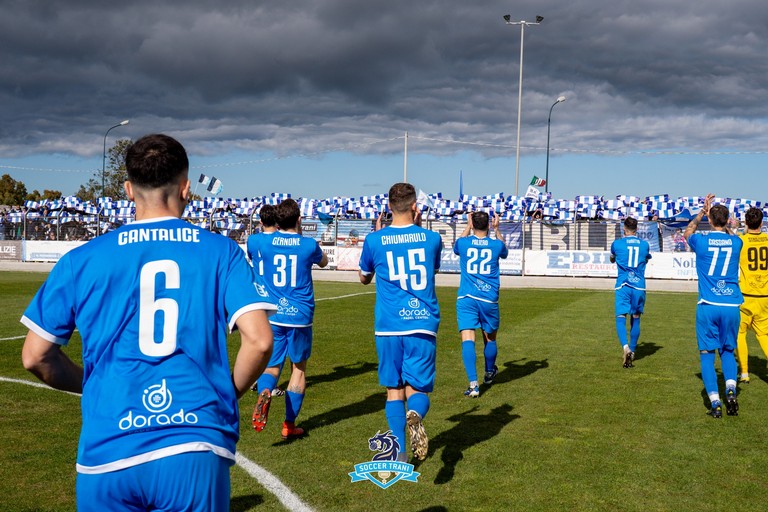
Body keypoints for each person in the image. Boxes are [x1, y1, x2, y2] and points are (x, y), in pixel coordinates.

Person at [20, 134, 275, 511]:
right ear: (187, 188)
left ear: (127, 189)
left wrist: (89, 384)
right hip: (193, 442)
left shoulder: (82, 259)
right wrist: (223, 393)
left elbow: (36, 356)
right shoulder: (221, 251)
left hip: (108, 447)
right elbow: (259, 342)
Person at [358, 182, 443, 461]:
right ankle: (416, 414)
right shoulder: (432, 239)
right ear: (415, 207)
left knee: (393, 389)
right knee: (416, 389)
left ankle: (401, 455)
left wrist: (379, 234)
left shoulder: (374, 240)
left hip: (389, 325)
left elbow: (363, 276)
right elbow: (433, 269)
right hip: (422, 322)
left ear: (388, 208)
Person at [252, 198, 328, 439]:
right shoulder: (308, 245)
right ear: (298, 220)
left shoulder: (260, 241)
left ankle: (265, 391)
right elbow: (324, 262)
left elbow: (255, 247)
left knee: (272, 366)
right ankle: (288, 424)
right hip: (300, 316)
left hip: (273, 314)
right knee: (298, 370)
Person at [684, 193, 743, 418]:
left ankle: (715, 403)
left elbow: (688, 231)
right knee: (728, 351)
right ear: (727, 221)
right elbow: (731, 235)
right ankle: (730, 389)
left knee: (707, 354)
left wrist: (701, 212)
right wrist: (724, 224)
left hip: (708, 304)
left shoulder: (701, 240)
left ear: (710, 220)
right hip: (731, 305)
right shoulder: (736, 241)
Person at [453, 210, 508, 397]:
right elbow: (505, 250)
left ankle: (473, 384)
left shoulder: (464, 243)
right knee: (490, 338)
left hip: (467, 297)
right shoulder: (495, 245)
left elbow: (456, 246)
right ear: (489, 224)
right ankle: (489, 373)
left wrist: (467, 226)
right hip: (488, 298)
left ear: (473, 224)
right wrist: (497, 229)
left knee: (468, 338)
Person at [246, 204, 285, 397]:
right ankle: (268, 383)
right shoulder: (281, 240)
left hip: (257, 293)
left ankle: (255, 377)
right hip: (276, 295)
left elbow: (252, 259)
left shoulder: (253, 240)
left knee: (257, 341)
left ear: (260, 221)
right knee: (276, 344)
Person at [610, 217, 652, 368]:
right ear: (637, 229)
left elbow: (612, 258)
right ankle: (632, 351)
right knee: (636, 318)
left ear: (624, 229)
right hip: (638, 286)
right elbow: (646, 260)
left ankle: (625, 347)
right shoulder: (644, 245)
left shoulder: (617, 244)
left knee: (620, 316)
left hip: (623, 285)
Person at [735, 207, 768, 383]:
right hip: (765, 296)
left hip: (746, 295)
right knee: (764, 335)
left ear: (746, 223)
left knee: (740, 334)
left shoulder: (741, 241)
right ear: (761, 223)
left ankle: (745, 373)